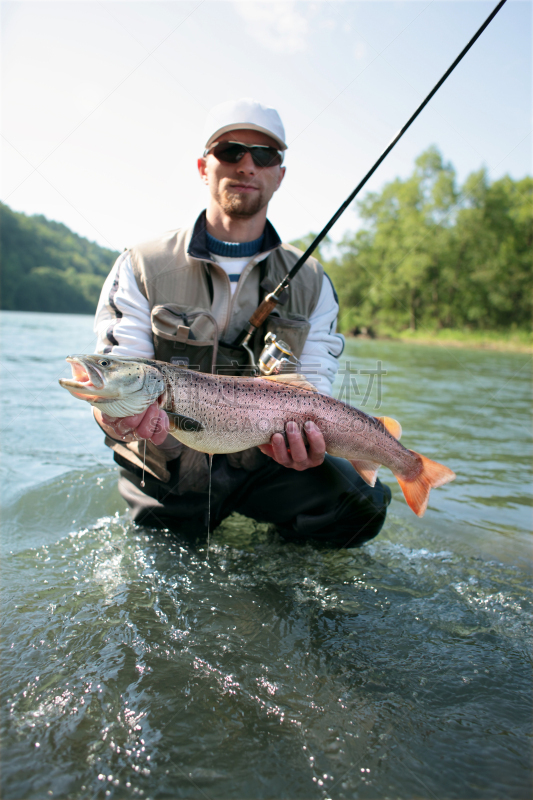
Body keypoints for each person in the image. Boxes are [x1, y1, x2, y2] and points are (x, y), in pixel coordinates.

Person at [93, 98, 391, 546]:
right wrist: (110, 415)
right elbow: (116, 376)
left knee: (362, 505)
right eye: (230, 151)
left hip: (267, 466)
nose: (247, 165)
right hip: (167, 467)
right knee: (166, 571)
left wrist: (306, 446)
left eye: (264, 154)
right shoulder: (141, 265)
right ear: (203, 166)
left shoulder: (313, 283)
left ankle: (283, 561)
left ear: (280, 174)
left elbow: (315, 392)